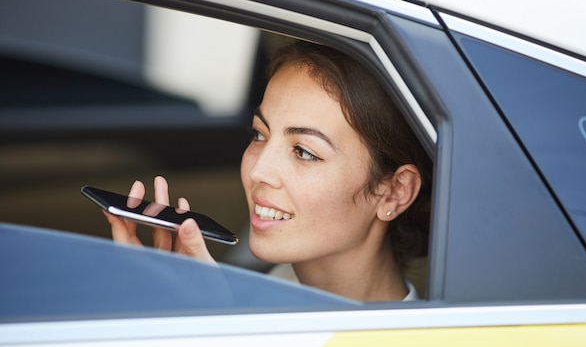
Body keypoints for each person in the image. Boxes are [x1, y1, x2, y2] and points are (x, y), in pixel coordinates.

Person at [105, 40, 431, 302]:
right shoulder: (276, 288)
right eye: (260, 134)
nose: (259, 170)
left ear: (395, 191)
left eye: (304, 152)